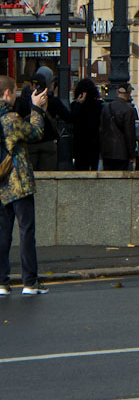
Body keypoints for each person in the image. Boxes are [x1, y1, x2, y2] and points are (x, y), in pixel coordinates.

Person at [1, 74, 50, 295]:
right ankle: (30, 282)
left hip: (0, 184)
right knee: (26, 231)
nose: (16, 96)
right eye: (15, 92)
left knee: (3, 234)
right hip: (17, 182)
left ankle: (2, 282)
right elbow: (36, 133)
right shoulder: (10, 118)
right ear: (7, 93)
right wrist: (37, 109)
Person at [15, 67, 70, 172]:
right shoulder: (53, 101)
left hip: (29, 142)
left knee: (30, 173)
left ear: (32, 85)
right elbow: (68, 117)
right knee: (48, 174)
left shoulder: (22, 101)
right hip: (48, 142)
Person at [99, 84, 138, 171]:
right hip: (122, 153)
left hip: (107, 151)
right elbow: (130, 133)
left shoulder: (106, 108)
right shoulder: (129, 109)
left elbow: (101, 130)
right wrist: (132, 154)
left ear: (117, 92)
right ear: (129, 93)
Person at [70, 78, 103, 171]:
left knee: (80, 168)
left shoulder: (75, 106)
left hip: (79, 143)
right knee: (94, 168)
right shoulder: (98, 105)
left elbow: (71, 119)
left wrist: (78, 104)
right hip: (94, 142)